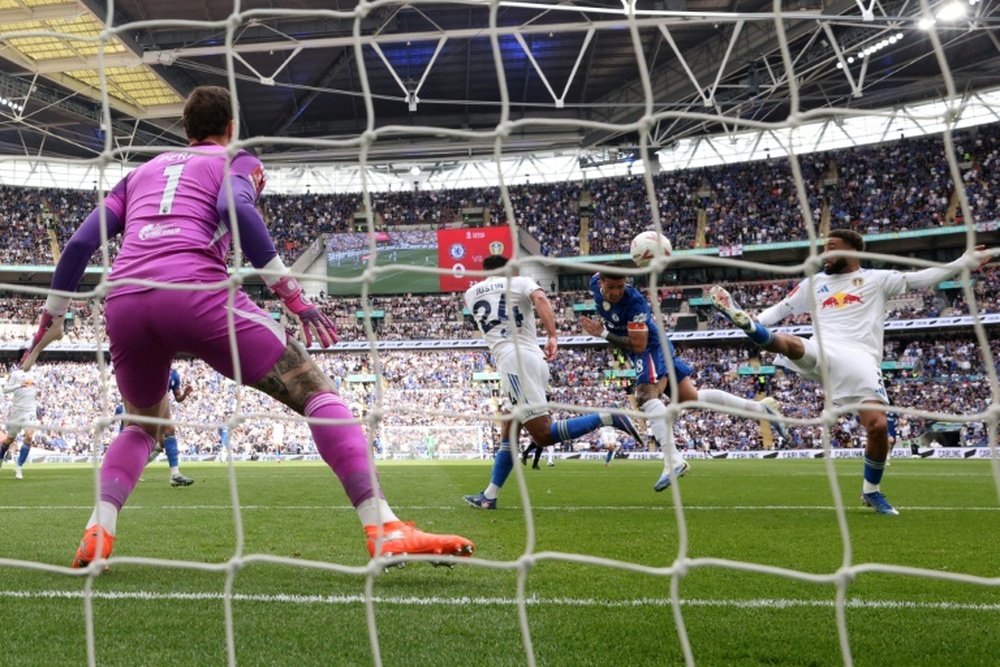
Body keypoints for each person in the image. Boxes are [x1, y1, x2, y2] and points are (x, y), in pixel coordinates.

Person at [22, 85, 474, 567]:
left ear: (185, 129)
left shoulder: (138, 175)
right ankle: (383, 525)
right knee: (317, 392)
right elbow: (235, 210)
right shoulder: (237, 160)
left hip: (126, 303)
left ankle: (98, 532)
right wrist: (293, 296)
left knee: (142, 426)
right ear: (231, 128)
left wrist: (53, 314)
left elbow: (77, 245)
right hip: (197, 293)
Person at [709, 229, 989, 515]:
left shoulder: (877, 280)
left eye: (832, 247)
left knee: (878, 428)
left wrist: (961, 262)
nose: (824, 254)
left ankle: (871, 492)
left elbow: (919, 279)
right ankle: (751, 329)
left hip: (861, 359)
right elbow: (778, 310)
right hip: (823, 349)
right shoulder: (814, 283)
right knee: (791, 344)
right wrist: (755, 320)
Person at [580, 271, 788, 492]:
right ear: (601, 283)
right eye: (611, 287)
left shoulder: (634, 302)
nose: (616, 292)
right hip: (638, 351)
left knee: (645, 395)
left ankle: (673, 461)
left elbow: (639, 345)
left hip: (650, 347)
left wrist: (602, 332)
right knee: (692, 397)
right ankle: (761, 408)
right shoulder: (594, 283)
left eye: (620, 286)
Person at [463, 255, 641, 510]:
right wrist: (552, 335)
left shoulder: (470, 293)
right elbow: (540, 299)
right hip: (533, 358)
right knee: (510, 427)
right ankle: (489, 496)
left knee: (544, 435)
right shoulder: (521, 282)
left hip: (513, 361)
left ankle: (608, 416)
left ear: (485, 272)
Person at [0, 359, 38, 480]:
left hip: (30, 411)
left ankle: (19, 467)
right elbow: (5, 389)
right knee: (9, 439)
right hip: (17, 411)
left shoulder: (36, 374)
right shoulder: (16, 374)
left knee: (29, 436)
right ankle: (1, 458)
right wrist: (19, 385)